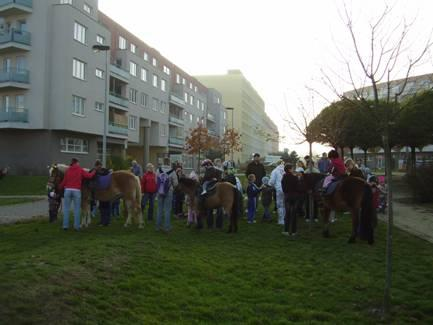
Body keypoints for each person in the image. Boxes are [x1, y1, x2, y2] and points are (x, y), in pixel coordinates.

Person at [59, 158, 96, 231]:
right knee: (77, 209)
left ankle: (65, 226)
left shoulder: (68, 170)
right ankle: (76, 226)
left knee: (66, 209)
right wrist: (94, 171)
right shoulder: (80, 169)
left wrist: (59, 187)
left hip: (67, 190)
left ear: (72, 163)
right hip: (76, 190)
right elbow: (89, 176)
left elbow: (64, 181)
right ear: (77, 163)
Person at [156, 158, 178, 232]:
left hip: (160, 191)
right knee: (167, 210)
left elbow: (156, 181)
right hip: (169, 191)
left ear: (163, 162)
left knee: (159, 209)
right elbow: (176, 183)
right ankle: (167, 227)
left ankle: (158, 227)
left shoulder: (158, 170)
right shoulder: (172, 171)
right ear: (169, 163)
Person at [281, 163, 300, 236]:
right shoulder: (295, 178)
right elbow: (298, 187)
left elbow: (284, 189)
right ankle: (294, 231)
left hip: (287, 196)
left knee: (287, 213)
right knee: (294, 214)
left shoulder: (284, 177)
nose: (293, 169)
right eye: (292, 168)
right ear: (289, 169)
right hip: (295, 196)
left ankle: (286, 230)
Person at [93, 160, 111, 226]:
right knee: (104, 207)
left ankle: (104, 222)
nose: (99, 167)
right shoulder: (106, 171)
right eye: (98, 166)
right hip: (104, 192)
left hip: (103, 192)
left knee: (104, 207)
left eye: (99, 166)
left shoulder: (98, 171)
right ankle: (105, 221)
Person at [269, 160, 286, 225]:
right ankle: (286, 218)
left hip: (279, 189)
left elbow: (272, 181)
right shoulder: (286, 169)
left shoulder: (275, 171)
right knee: (285, 204)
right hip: (287, 189)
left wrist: (270, 184)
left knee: (280, 205)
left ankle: (281, 220)